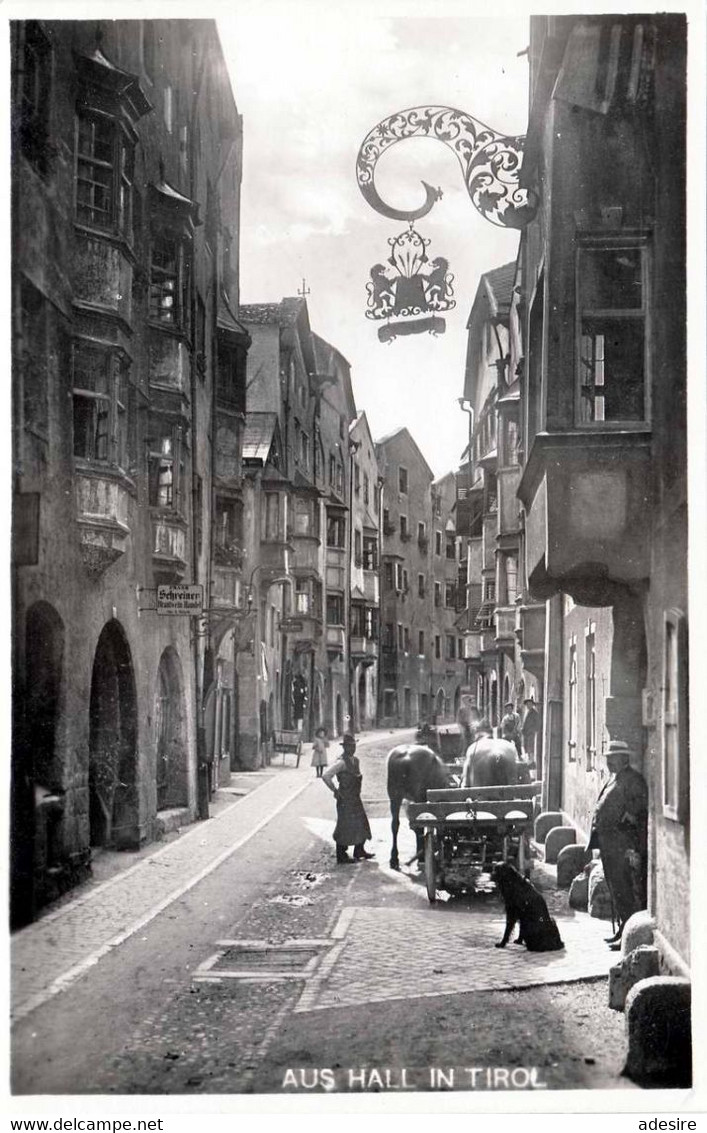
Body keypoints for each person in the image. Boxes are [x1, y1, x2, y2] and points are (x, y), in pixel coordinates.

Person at [587, 739, 648, 949]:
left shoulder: (633, 779)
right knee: (616, 889)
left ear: (624, 758)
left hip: (621, 844)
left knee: (625, 890)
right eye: (608, 758)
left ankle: (628, 933)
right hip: (609, 844)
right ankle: (623, 929)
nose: (609, 762)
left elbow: (640, 804)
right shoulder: (615, 778)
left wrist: (627, 819)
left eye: (613, 758)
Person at [322, 733, 374, 863]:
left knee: (362, 823)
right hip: (345, 799)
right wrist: (335, 790)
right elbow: (326, 776)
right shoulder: (341, 762)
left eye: (354, 745)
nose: (353, 748)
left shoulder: (356, 761)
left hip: (355, 798)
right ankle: (341, 855)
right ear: (344, 747)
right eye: (350, 746)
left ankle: (359, 850)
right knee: (344, 826)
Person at [460, 719, 518, 787]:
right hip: (507, 793)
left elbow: (466, 783)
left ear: (476, 734)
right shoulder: (509, 746)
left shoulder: (473, 748)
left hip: (480, 794)